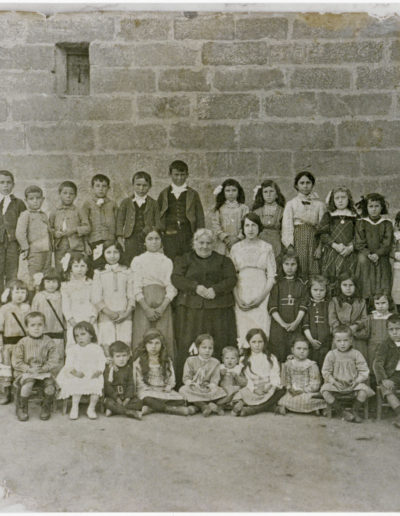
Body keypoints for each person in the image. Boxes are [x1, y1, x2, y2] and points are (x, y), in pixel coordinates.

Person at [172, 228, 237, 384]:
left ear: (214, 244)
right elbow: (176, 278)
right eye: (201, 242)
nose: (205, 246)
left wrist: (216, 289)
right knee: (190, 343)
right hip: (191, 311)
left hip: (218, 311)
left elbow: (231, 279)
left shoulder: (223, 260)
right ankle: (187, 383)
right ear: (194, 243)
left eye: (208, 243)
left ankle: (219, 382)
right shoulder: (184, 259)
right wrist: (195, 287)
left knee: (217, 341)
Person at [230, 212, 276, 342]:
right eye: (247, 226)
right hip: (242, 290)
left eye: (254, 225)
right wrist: (237, 299)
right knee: (242, 326)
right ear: (243, 228)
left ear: (259, 228)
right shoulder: (235, 248)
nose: (250, 229)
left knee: (261, 325)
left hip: (261, 290)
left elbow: (271, 277)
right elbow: (232, 276)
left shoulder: (266, 247)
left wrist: (261, 298)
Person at [130, 229, 177, 355]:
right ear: (144, 242)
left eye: (157, 239)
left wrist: (162, 308)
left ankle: (166, 371)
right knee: (142, 336)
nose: (154, 242)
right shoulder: (138, 260)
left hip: (163, 302)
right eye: (150, 239)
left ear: (161, 241)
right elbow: (136, 286)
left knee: (164, 337)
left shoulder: (167, 261)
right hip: (144, 302)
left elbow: (171, 287)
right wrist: (146, 308)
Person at [321, 325, 374, 423]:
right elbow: (326, 372)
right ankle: (342, 411)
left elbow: (364, 371)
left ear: (351, 340)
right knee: (325, 391)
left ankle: (354, 411)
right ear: (334, 341)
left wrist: (357, 381)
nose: (342, 344)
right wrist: (333, 382)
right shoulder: (331, 354)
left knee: (364, 391)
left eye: (345, 340)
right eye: (339, 341)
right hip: (337, 385)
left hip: (353, 385)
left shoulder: (356, 354)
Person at [133, 329, 193, 416]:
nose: (153, 346)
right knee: (147, 399)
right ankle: (171, 409)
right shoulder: (139, 361)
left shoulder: (166, 360)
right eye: (150, 343)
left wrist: (169, 386)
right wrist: (149, 389)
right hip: (148, 391)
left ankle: (151, 408)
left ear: (162, 345)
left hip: (163, 390)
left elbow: (171, 378)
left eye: (157, 343)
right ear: (145, 345)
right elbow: (139, 382)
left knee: (181, 399)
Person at [12, 311, 59, 421]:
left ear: (44, 326)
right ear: (27, 328)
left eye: (40, 325)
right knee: (27, 386)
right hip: (27, 372)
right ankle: (22, 407)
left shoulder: (49, 342)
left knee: (50, 388)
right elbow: (17, 361)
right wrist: (29, 369)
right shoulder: (22, 342)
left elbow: (54, 359)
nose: (36, 328)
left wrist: (44, 368)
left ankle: (45, 407)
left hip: (43, 372)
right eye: (32, 325)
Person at [91, 241, 134, 356]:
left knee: (124, 345)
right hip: (106, 315)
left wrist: (126, 313)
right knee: (107, 346)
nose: (112, 255)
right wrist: (109, 313)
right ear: (103, 254)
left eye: (116, 252)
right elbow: (96, 297)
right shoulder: (99, 272)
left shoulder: (127, 271)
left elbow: (131, 295)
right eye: (108, 252)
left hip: (124, 315)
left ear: (120, 253)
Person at [56, 321, 106, 420]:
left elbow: (102, 361)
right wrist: (75, 372)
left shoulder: (97, 348)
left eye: (83, 334)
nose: (80, 338)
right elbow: (69, 364)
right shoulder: (73, 349)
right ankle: (75, 407)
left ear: (91, 335)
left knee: (96, 386)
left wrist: (99, 371)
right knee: (76, 385)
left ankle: (91, 408)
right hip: (77, 373)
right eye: (77, 336)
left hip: (92, 373)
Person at [158, 160, 205, 261]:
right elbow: (158, 215)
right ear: (170, 174)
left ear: (187, 175)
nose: (179, 178)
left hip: (188, 234)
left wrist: (200, 235)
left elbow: (200, 216)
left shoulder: (193, 194)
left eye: (182, 175)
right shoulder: (164, 194)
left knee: (188, 260)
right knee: (171, 261)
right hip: (169, 236)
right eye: (176, 175)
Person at [282, 171, 325, 279]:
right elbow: (287, 226)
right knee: (300, 265)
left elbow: (323, 227)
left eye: (308, 182)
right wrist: (290, 245)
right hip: (298, 238)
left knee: (314, 265)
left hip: (314, 239)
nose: (305, 186)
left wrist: (320, 247)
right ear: (296, 185)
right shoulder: (291, 204)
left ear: (312, 184)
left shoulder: (319, 204)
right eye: (302, 183)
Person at [232, 328, 284, 417]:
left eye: (260, 342)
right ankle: (269, 407)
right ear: (249, 343)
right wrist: (254, 389)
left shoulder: (271, 358)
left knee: (281, 390)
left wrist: (269, 386)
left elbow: (275, 374)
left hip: (268, 387)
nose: (257, 345)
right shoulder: (244, 359)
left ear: (264, 343)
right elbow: (246, 378)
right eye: (254, 342)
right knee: (241, 392)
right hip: (253, 387)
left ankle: (252, 410)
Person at [268, 249, 307, 363]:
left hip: (296, 324)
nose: (289, 268)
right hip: (279, 325)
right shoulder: (277, 283)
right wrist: (283, 324)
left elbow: (303, 304)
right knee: (278, 352)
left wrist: (296, 323)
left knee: (294, 352)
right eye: (286, 264)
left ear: (297, 265)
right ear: (282, 265)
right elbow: (272, 305)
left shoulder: (302, 283)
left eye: (293, 264)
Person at [317, 186, 358, 291]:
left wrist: (350, 247)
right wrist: (335, 245)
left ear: (348, 199)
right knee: (331, 277)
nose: (340, 201)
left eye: (343, 197)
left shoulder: (354, 216)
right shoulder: (329, 215)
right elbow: (323, 234)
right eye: (337, 198)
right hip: (332, 251)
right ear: (332, 200)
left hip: (349, 252)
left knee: (348, 277)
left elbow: (359, 235)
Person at [116, 171, 160, 266]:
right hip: (130, 238)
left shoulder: (154, 203)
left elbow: (158, 222)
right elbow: (120, 221)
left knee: (147, 262)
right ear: (133, 185)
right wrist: (120, 237)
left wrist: (152, 232)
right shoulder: (126, 202)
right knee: (130, 260)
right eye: (138, 185)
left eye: (145, 185)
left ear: (150, 186)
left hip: (147, 238)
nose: (141, 188)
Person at [355, 193, 393, 301]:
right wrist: (369, 254)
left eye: (377, 206)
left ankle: (381, 306)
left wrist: (378, 254)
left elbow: (387, 242)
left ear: (382, 207)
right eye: (370, 206)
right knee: (366, 280)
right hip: (366, 257)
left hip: (381, 257)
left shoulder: (387, 223)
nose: (374, 209)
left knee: (382, 281)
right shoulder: (361, 223)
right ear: (366, 208)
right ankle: (366, 305)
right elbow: (359, 242)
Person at [179, 333, 226, 416]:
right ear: (197, 348)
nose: (207, 350)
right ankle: (204, 406)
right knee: (183, 390)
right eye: (204, 347)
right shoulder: (190, 360)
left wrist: (209, 387)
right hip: (194, 388)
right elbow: (186, 378)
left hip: (208, 389)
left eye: (210, 348)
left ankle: (199, 405)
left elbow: (215, 379)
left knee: (222, 391)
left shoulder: (215, 362)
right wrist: (192, 384)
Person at [15, 185, 52, 291]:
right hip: (34, 252)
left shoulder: (43, 215)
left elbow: (48, 232)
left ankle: (43, 300)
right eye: (31, 199)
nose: (35, 201)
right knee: (35, 277)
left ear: (43, 199)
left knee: (45, 276)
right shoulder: (25, 215)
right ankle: (33, 299)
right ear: (26, 200)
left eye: (38, 198)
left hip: (47, 251)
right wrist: (25, 247)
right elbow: (20, 233)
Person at [49, 180, 90, 274]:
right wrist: (55, 233)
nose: (68, 196)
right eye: (65, 193)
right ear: (59, 194)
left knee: (75, 270)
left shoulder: (79, 210)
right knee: (61, 271)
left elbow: (87, 227)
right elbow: (49, 228)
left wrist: (74, 230)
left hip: (76, 247)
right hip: (60, 247)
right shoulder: (55, 211)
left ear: (75, 196)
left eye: (71, 194)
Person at [277, 339, 327, 415]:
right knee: (284, 399)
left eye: (305, 349)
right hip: (293, 391)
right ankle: (313, 409)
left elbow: (315, 383)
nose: (302, 351)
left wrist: (304, 390)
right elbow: (287, 380)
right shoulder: (289, 364)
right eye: (299, 348)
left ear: (308, 351)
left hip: (307, 392)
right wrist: (290, 388)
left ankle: (316, 408)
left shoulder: (311, 365)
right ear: (292, 350)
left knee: (306, 399)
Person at [0, 279, 30, 404]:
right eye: (16, 292)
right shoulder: (4, 308)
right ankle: (5, 393)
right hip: (8, 344)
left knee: (20, 369)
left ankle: (20, 393)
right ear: (10, 293)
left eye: (23, 292)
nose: (20, 295)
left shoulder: (27, 307)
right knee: (7, 369)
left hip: (23, 343)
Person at [80, 174, 117, 270]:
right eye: (97, 186)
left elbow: (117, 223)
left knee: (110, 267)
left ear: (108, 188)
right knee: (96, 267)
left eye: (104, 186)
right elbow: (84, 224)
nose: (101, 189)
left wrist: (116, 240)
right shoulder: (87, 204)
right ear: (92, 188)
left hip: (110, 241)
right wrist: (86, 244)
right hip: (94, 241)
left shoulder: (112, 204)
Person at [61, 252, 97, 347]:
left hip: (89, 319)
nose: (79, 269)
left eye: (83, 266)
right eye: (76, 266)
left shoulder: (91, 284)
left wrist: (92, 319)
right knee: (73, 344)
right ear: (71, 268)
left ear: (87, 268)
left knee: (91, 344)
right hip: (74, 320)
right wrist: (72, 321)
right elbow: (65, 306)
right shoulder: (66, 286)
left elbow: (95, 302)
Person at [328, 273, 368, 360]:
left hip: (356, 337)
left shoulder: (361, 301)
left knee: (357, 361)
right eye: (344, 285)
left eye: (351, 285)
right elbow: (332, 319)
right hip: (339, 336)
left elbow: (365, 319)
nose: (348, 288)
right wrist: (341, 330)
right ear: (340, 286)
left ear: (356, 286)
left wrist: (356, 326)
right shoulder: (334, 301)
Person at [31, 268, 65, 368]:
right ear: (43, 283)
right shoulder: (39, 296)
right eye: (48, 282)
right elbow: (33, 314)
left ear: (59, 283)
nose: (51, 284)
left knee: (58, 357)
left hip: (58, 332)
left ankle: (57, 379)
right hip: (43, 332)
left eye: (54, 281)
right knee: (43, 356)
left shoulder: (61, 295)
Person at [0, 170, 26, 297]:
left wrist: (23, 243)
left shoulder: (18, 203)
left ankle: (10, 301)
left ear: (13, 185)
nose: (5, 185)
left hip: (12, 244)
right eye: (2, 182)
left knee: (11, 273)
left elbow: (25, 223)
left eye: (8, 183)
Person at [103, 340, 142, 420]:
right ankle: (128, 412)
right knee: (108, 402)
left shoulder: (128, 369)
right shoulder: (110, 370)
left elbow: (131, 384)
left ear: (128, 357)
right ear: (112, 358)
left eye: (124, 356)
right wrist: (116, 398)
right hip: (113, 397)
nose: (121, 359)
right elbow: (108, 386)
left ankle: (115, 410)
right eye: (118, 356)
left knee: (139, 402)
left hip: (125, 396)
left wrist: (127, 399)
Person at [373, 314, 400, 428]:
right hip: (392, 375)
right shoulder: (385, 345)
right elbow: (377, 363)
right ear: (387, 330)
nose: (394, 332)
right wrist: (384, 379)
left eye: (398, 329)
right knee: (386, 388)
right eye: (391, 329)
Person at [211, 178, 249, 256]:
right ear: (223, 193)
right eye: (228, 191)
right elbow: (215, 225)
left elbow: (246, 224)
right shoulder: (219, 208)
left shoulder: (244, 208)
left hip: (239, 241)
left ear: (238, 192)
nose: (231, 193)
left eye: (234, 190)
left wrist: (238, 238)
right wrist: (225, 238)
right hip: (223, 243)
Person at [302, 275, 331, 369]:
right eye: (315, 290)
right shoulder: (308, 305)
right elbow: (305, 325)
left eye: (322, 290)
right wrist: (311, 340)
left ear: (326, 290)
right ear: (310, 289)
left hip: (326, 343)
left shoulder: (329, 305)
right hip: (311, 342)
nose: (318, 293)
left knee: (325, 365)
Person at [252, 180, 285, 258]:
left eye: (271, 191)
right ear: (262, 195)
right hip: (260, 244)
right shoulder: (257, 212)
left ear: (277, 194)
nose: (268, 194)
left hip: (277, 244)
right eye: (265, 192)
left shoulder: (282, 211)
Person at [366, 292, 393, 372]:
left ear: (389, 302)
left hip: (389, 347)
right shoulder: (370, 318)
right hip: (373, 348)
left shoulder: (393, 317)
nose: (380, 306)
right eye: (377, 303)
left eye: (383, 303)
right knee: (373, 367)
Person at [217, 346, 247, 412]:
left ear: (237, 360)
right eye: (227, 358)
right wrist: (221, 375)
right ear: (222, 359)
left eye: (232, 358)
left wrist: (237, 377)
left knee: (240, 395)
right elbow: (216, 381)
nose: (229, 360)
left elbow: (244, 383)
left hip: (234, 391)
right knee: (219, 395)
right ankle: (221, 407)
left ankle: (237, 406)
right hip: (224, 391)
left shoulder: (238, 369)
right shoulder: (221, 368)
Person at [392, 211, 400, 312]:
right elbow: (391, 249)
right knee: (398, 289)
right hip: (398, 267)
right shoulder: (396, 236)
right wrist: (396, 254)